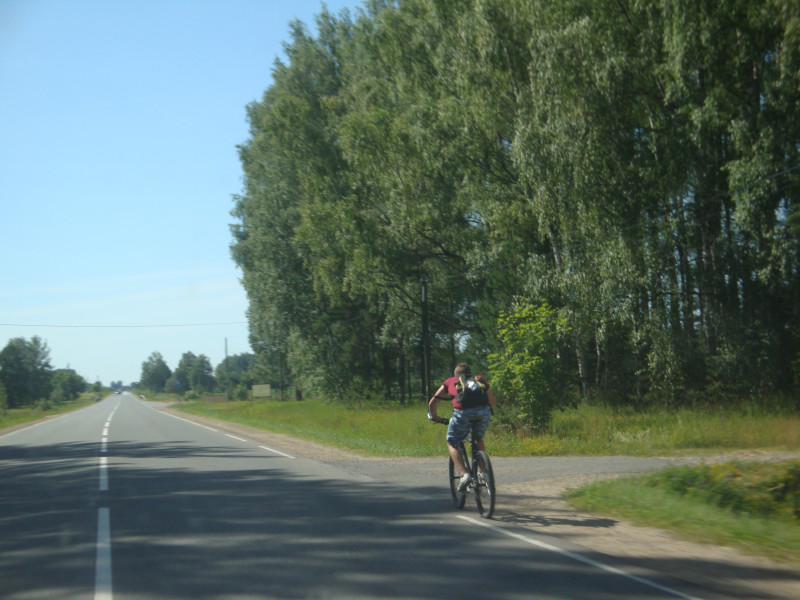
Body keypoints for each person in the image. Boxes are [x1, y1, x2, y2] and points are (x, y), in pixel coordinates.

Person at [428, 363, 497, 492]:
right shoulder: (479, 380)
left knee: (452, 442)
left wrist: (435, 416)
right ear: (470, 373)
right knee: (477, 437)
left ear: (456, 375)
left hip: (463, 413)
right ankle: (483, 472)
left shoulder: (451, 381)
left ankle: (464, 474)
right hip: (484, 412)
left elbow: (433, 402)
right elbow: (492, 402)